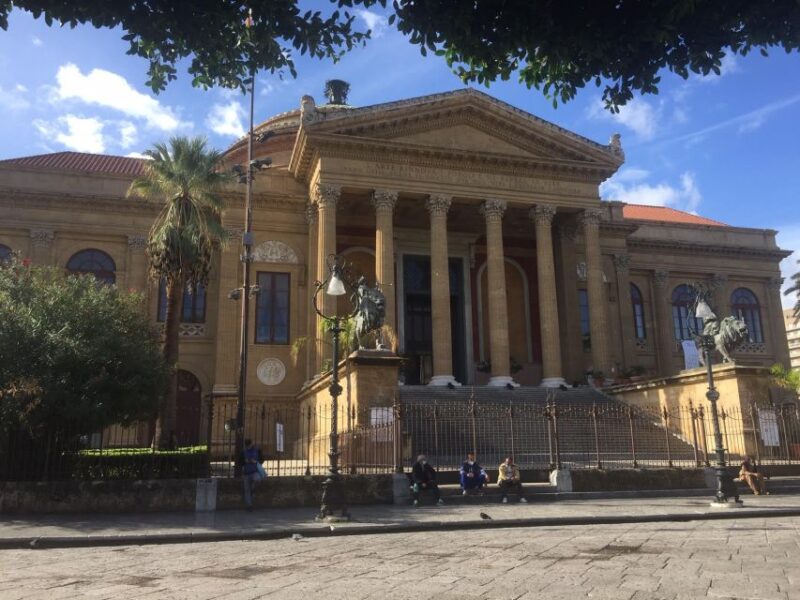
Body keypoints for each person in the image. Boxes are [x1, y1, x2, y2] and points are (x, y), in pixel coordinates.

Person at [239, 438, 265, 511]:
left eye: (249, 445)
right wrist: (244, 461)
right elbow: (239, 462)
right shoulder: (243, 452)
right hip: (246, 473)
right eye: (247, 446)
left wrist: (256, 461)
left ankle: (253, 488)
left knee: (257, 479)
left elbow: (262, 460)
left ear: (251, 444)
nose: (248, 447)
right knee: (247, 490)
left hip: (255, 471)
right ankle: (249, 505)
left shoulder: (257, 450)